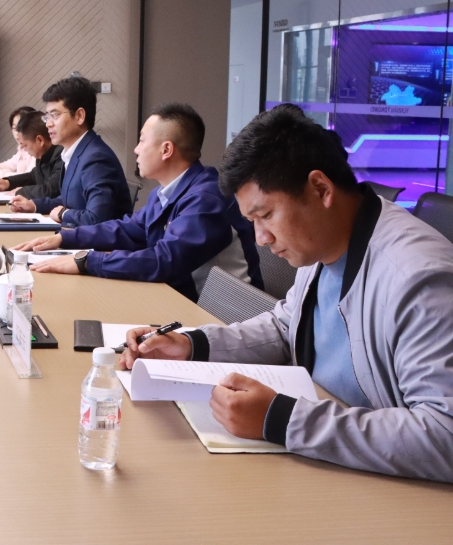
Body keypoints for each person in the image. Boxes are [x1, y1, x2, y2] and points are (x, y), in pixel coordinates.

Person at [122, 104, 453, 483]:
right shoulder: (324, 240)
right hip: (334, 458)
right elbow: (285, 327)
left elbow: (445, 433)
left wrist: (282, 419)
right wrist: (189, 344)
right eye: (252, 221)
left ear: (321, 189)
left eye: (266, 215)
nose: (261, 238)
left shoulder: (416, 277)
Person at [14, 103, 261, 301]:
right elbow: (130, 229)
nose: (136, 149)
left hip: (218, 316)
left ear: (166, 150)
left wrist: (86, 261)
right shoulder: (165, 192)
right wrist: (65, 238)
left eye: (142, 140)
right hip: (177, 298)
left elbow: (165, 261)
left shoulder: (206, 199)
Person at [9, 77, 131, 226]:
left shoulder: (97, 158)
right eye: (47, 117)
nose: (48, 124)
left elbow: (97, 219)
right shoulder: (78, 151)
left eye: (54, 115)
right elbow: (71, 200)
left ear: (79, 116)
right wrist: (34, 205)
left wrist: (63, 214)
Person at [0, 110, 63, 200]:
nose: (23, 148)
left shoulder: (61, 155)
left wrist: (22, 191)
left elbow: (52, 190)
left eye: (25, 145)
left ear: (40, 140)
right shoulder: (43, 155)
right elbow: (33, 176)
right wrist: (7, 182)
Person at [0, 106, 36, 178]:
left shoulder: (37, 151)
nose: (17, 133)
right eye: (14, 128)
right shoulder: (22, 149)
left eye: (21, 128)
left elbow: (26, 177)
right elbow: (8, 165)